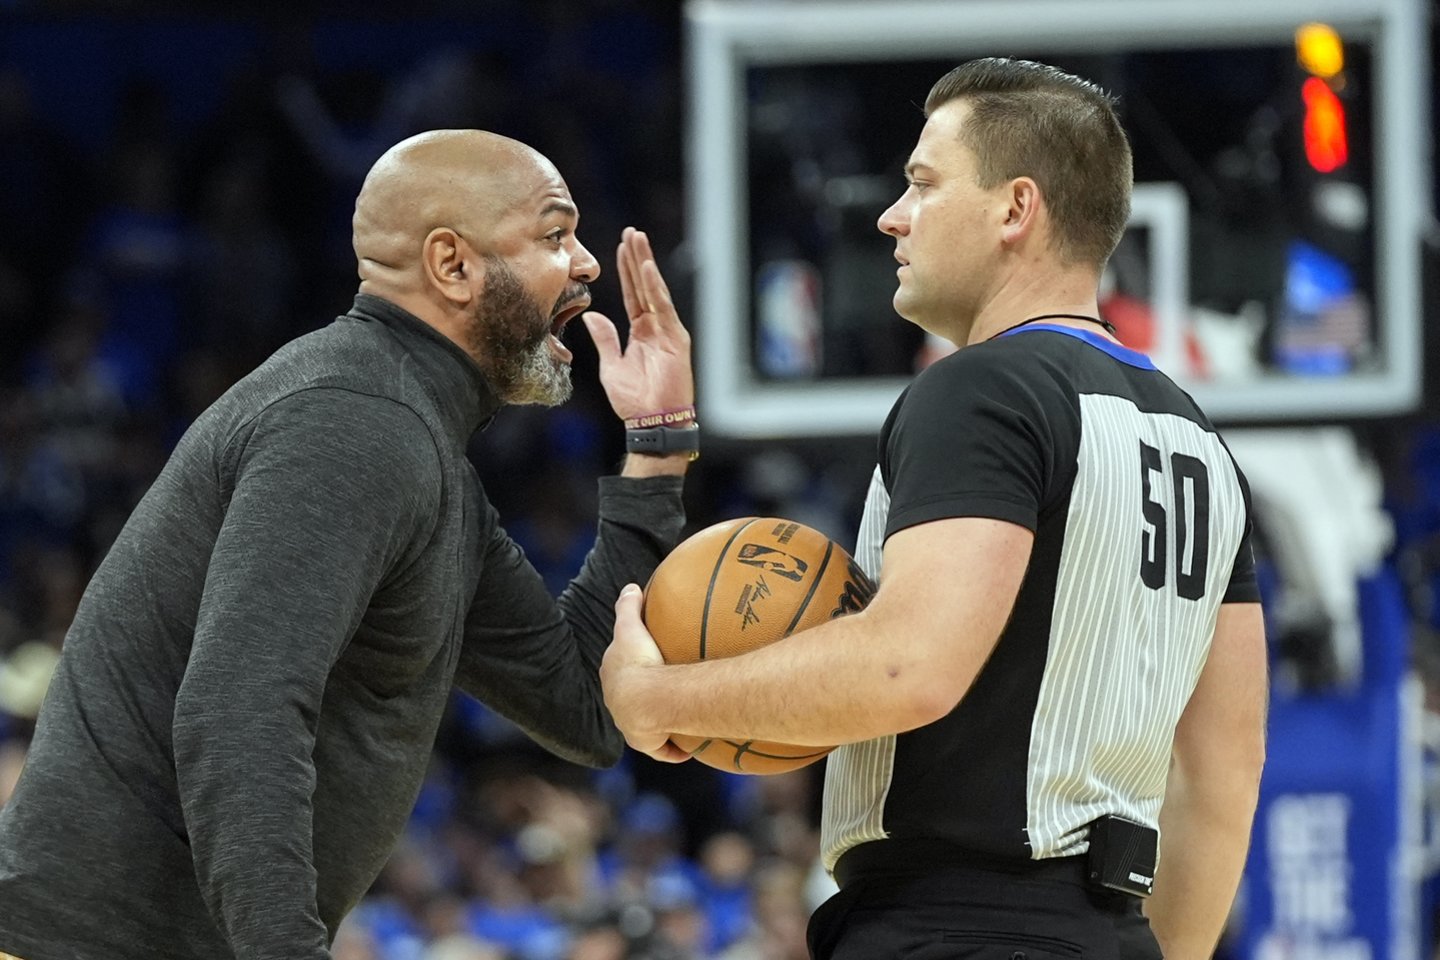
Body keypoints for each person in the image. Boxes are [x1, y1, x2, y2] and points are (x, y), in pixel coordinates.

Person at [600, 59, 1266, 960]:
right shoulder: (1199, 442)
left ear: (1015, 208)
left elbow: (906, 667)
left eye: (922, 183)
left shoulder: (983, 388)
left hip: (954, 925)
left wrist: (657, 698)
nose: (892, 215)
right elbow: (1224, 773)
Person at [0, 129, 697, 960]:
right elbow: (238, 712)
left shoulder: (407, 436)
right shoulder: (355, 422)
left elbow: (586, 703)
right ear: (452, 264)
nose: (584, 263)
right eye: (555, 235)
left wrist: (658, 446)